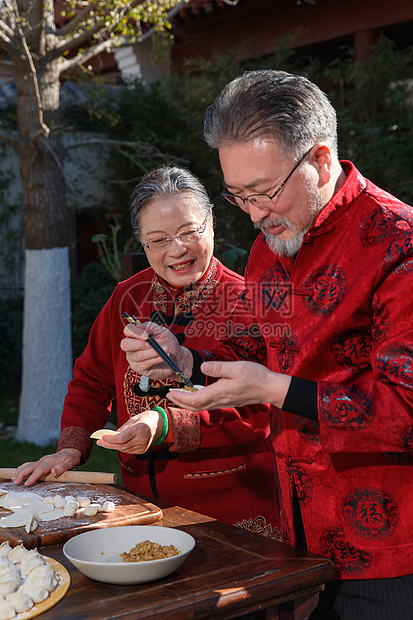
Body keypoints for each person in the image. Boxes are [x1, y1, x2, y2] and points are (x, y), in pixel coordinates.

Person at [120, 72, 413, 619]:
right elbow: (254, 362)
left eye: (264, 192)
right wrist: (188, 361)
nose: (254, 214)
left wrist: (276, 389)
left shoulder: (399, 245)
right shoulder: (267, 250)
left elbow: (407, 409)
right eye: (239, 196)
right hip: (297, 539)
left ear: (321, 162)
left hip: (392, 551)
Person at [13, 165, 281, 539]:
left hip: (230, 509)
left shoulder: (247, 302)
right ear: (143, 243)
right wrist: (71, 450)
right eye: (159, 239)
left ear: (211, 224)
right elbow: (92, 380)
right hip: (141, 506)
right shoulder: (127, 296)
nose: (178, 249)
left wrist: (166, 425)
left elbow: (259, 410)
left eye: (189, 231)